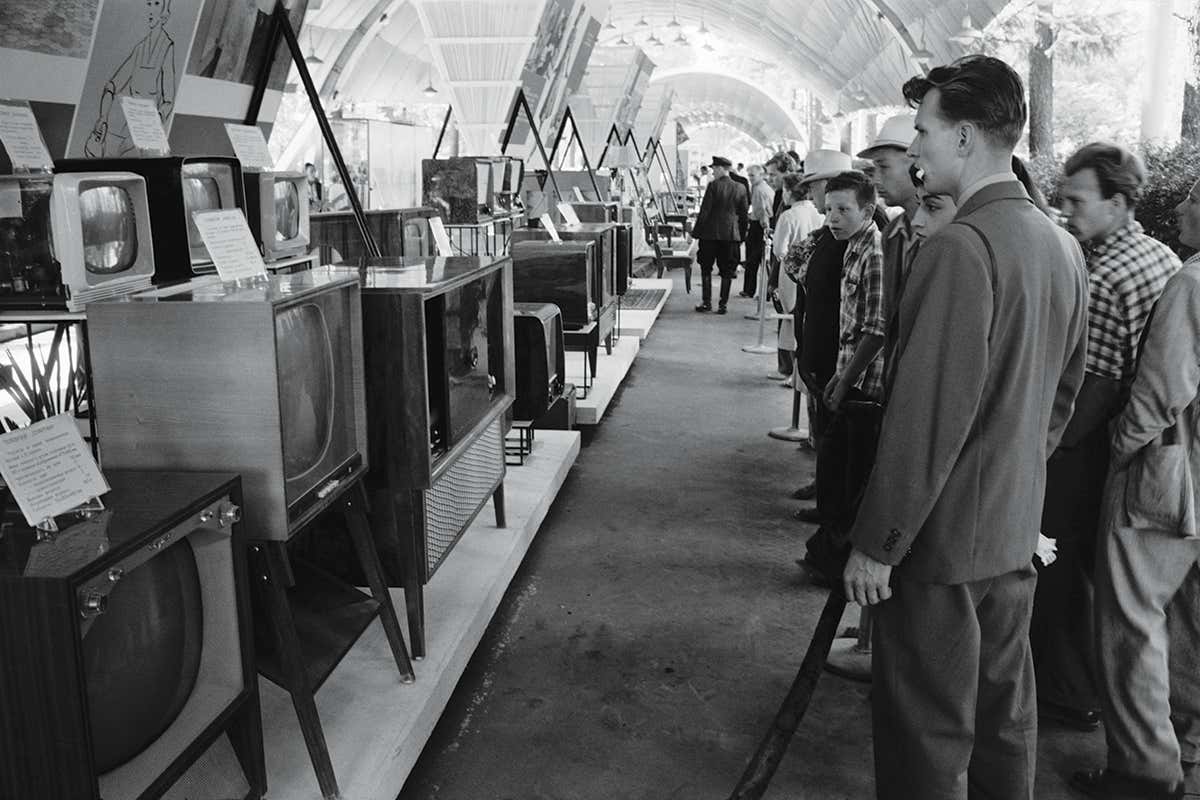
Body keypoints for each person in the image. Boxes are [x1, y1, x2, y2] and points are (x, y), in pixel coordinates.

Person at [842, 55, 1089, 799]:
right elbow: (1061, 398)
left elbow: (925, 417)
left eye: (924, 130)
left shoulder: (960, 246)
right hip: (1012, 530)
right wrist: (1012, 481)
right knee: (1002, 720)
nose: (915, 147)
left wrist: (878, 544)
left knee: (926, 731)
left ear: (965, 137)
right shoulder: (1061, 245)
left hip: (941, 541)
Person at [1034, 142, 1181, 735]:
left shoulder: (1105, 274)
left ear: (1118, 203)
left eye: (1078, 201)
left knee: (1060, 564)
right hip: (1151, 446)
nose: (1067, 211)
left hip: (1093, 441)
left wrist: (1051, 447)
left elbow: (1095, 383)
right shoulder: (1159, 252)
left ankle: (1069, 691)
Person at [1071, 178, 1200, 800]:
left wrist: (1120, 449)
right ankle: (1187, 743)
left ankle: (1145, 770)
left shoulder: (1192, 283)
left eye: (1194, 199)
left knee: (1130, 619)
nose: (1179, 206)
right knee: (1192, 617)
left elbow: (1158, 393)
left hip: (1164, 474)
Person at [857, 114, 919, 386]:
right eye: (874, 170)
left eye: (884, 167)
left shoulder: (951, 235)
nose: (877, 180)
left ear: (918, 162)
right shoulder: (893, 233)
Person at [770, 173, 822, 385]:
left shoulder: (789, 216)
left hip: (791, 274)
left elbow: (779, 249)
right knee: (806, 321)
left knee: (789, 319)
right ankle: (798, 372)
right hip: (814, 273)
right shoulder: (818, 212)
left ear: (790, 191)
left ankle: (788, 369)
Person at [691, 156, 748, 314]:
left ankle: (706, 302)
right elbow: (743, 215)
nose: (713, 171)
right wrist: (741, 236)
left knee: (706, 268)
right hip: (730, 235)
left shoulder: (713, 186)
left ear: (723, 168)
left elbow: (705, 211)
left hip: (709, 234)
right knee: (727, 271)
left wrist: (696, 233)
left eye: (715, 168)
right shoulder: (741, 188)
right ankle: (723, 305)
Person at [742, 164, 775, 299]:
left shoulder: (760, 189)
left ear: (761, 175)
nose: (750, 178)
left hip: (760, 226)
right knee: (758, 259)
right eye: (749, 175)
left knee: (754, 259)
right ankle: (756, 290)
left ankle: (751, 290)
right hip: (759, 223)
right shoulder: (759, 187)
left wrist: (764, 227)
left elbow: (763, 210)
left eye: (752, 175)